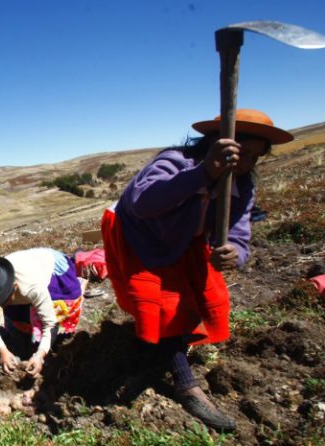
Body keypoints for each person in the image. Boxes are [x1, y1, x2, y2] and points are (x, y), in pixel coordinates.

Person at [101, 109, 293, 432]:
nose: (245, 164)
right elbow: (143, 202)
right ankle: (185, 384)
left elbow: (239, 232)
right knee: (162, 299)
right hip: (140, 233)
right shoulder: (176, 162)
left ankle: (165, 348)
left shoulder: (242, 184)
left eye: (254, 158)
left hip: (183, 238)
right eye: (241, 153)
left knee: (202, 291)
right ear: (218, 144)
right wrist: (204, 173)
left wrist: (235, 252)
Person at [0, 248, 86, 377]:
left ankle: (54, 344)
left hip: (51, 267)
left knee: (59, 312)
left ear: (15, 287)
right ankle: (29, 339)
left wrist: (40, 355)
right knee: (17, 316)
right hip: (25, 267)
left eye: (3, 302)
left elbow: (50, 324)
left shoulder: (33, 287)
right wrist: (3, 351)